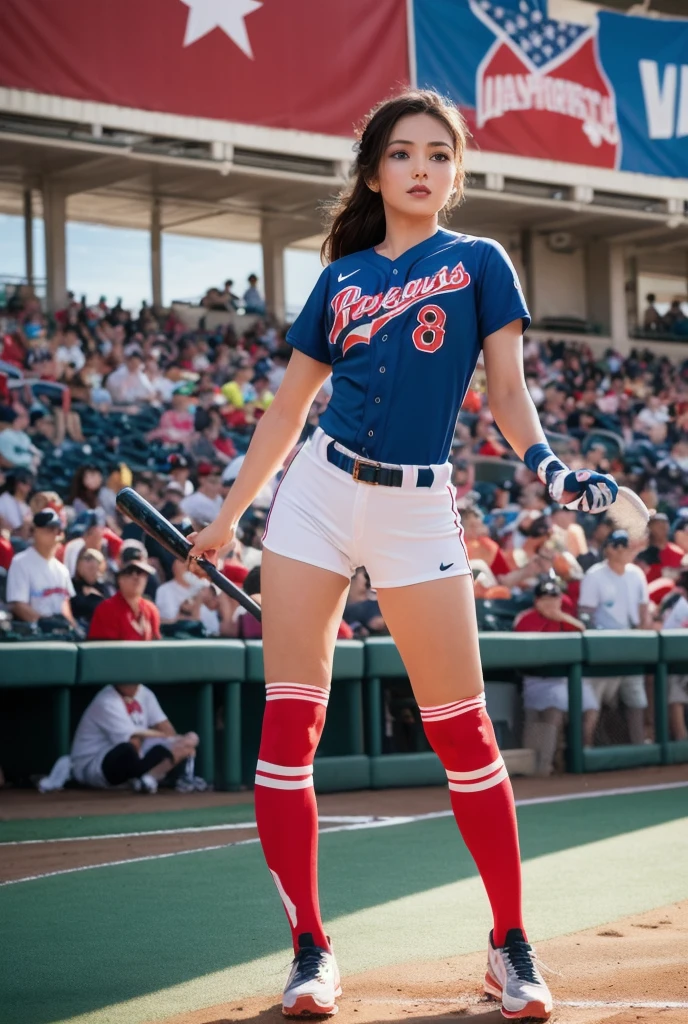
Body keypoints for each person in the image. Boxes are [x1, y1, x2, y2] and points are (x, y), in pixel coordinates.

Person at [187, 89, 618, 1021]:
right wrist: (229, 516)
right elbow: (286, 409)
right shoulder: (340, 279)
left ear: (455, 175)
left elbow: (507, 395)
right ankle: (309, 947)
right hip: (314, 496)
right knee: (288, 726)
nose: (421, 168)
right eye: (402, 153)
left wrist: (546, 464)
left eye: (438, 155)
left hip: (420, 507)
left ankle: (510, 944)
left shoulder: (479, 263)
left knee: (461, 730)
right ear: (374, 171)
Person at [514, 579, 598, 774]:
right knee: (555, 707)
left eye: (554, 598)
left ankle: (582, 753)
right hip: (538, 680)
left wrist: (561, 616)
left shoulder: (565, 619)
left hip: (566, 679)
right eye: (545, 599)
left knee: (591, 706)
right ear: (536, 601)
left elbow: (583, 632)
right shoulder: (526, 619)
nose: (550, 603)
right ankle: (549, 763)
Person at [578, 530, 650, 746]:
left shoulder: (637, 574)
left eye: (628, 546)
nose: (627, 551)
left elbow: (643, 614)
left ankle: (639, 747)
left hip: (631, 645)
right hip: (603, 648)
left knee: (636, 700)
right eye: (621, 546)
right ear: (609, 549)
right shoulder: (594, 575)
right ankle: (587, 750)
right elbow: (585, 616)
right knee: (595, 704)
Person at [70, 681, 200, 793]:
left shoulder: (145, 693)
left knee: (191, 738)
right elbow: (133, 739)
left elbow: (168, 731)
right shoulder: (106, 700)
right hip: (92, 766)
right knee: (128, 748)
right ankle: (144, 777)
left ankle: (149, 779)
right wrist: (159, 739)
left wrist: (174, 743)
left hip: (134, 758)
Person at [6, 509, 76, 628]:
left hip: (59, 635)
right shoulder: (20, 562)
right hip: (34, 637)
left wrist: (72, 626)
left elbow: (65, 604)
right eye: (49, 529)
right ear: (34, 531)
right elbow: (18, 605)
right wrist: (45, 623)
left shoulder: (61, 569)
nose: (55, 534)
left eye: (57, 530)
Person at [88, 558, 161, 640]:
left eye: (140, 573)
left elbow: (156, 645)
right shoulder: (107, 609)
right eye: (129, 572)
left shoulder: (151, 609)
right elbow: (104, 649)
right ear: (119, 579)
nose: (135, 577)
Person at [658, 570, 688, 740]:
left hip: (677, 660)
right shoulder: (678, 602)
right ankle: (681, 741)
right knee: (675, 692)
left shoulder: (676, 599)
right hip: (673, 662)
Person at [70, 547, 113, 628]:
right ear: (78, 565)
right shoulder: (71, 584)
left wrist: (95, 596)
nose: (91, 563)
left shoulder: (106, 587)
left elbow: (111, 608)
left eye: (93, 568)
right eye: (86, 559)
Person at [0, 467, 34, 535]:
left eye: (30, 484)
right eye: (26, 483)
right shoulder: (4, 499)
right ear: (18, 483)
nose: (29, 487)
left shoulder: (28, 507)